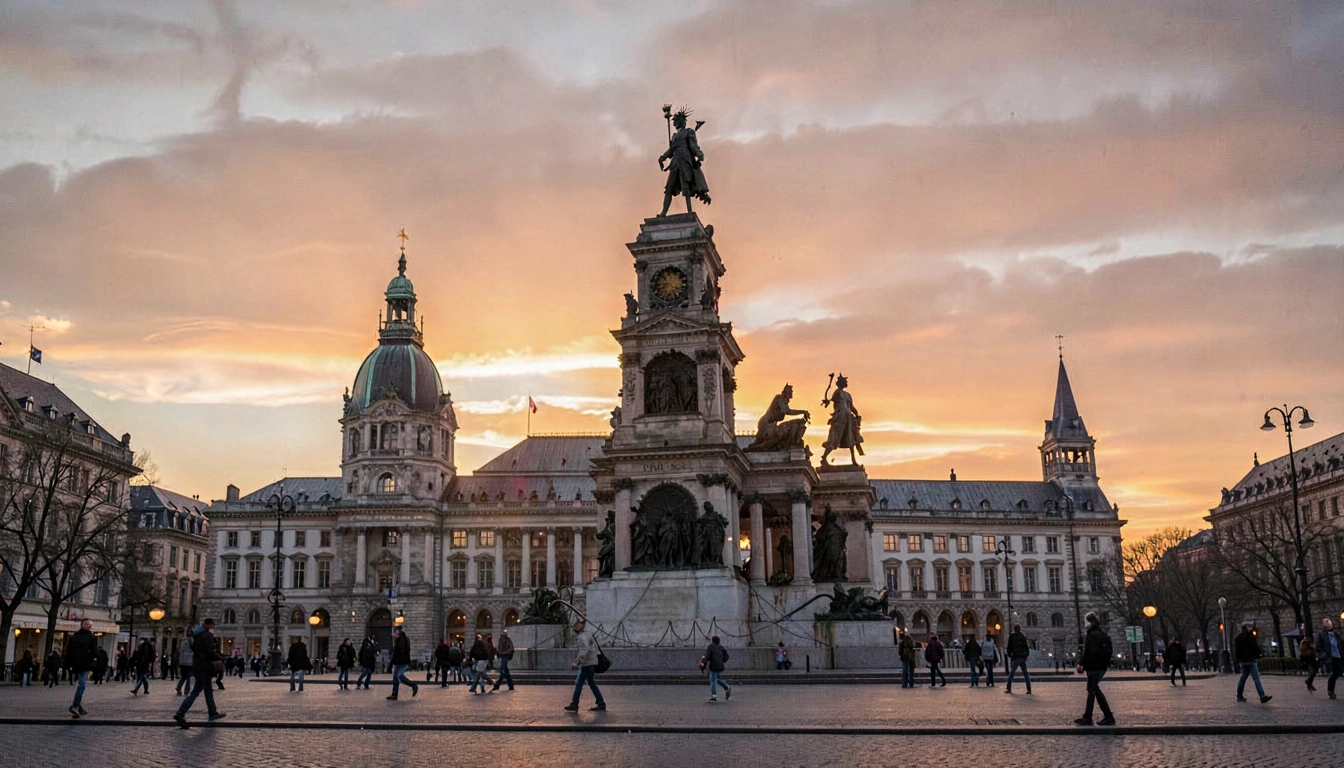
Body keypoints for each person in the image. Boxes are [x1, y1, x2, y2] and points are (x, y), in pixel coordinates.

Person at [172, 619, 226, 727]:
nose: (213, 626)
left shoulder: (196, 636)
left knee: (200, 691)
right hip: (205, 667)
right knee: (203, 692)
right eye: (212, 624)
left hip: (198, 666)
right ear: (206, 625)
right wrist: (221, 658)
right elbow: (210, 652)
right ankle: (183, 713)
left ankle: (209, 712)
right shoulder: (207, 636)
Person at [1074, 612, 1116, 726]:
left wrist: (1082, 664)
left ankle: (1094, 717)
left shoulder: (1093, 635)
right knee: (1094, 690)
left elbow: (1090, 652)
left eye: (1085, 622)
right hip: (1100, 666)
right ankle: (1104, 716)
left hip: (1094, 667)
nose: (1085, 624)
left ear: (1090, 622)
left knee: (1092, 690)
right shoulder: (1100, 633)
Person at [564, 617, 606, 712]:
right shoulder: (588, 634)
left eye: (577, 624)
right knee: (591, 683)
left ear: (582, 625)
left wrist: (577, 662)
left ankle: (575, 703)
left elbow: (584, 650)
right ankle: (601, 703)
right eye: (575, 624)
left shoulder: (583, 636)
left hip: (587, 664)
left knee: (579, 683)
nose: (575, 626)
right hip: (591, 662)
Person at [64, 619, 98, 718]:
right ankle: (75, 706)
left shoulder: (75, 637)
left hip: (78, 663)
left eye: (89, 624)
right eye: (86, 624)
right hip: (83, 664)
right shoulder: (90, 637)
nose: (88, 625)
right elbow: (93, 651)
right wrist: (92, 662)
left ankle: (79, 708)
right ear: (82, 624)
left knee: (81, 684)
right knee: (82, 685)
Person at [1235, 621, 1272, 703]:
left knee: (1243, 678)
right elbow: (1254, 648)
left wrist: (1239, 660)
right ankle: (1262, 696)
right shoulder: (1249, 637)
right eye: (1249, 627)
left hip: (1243, 661)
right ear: (1246, 628)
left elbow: (1237, 651)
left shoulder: (1237, 638)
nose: (1250, 628)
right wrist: (1258, 655)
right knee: (1256, 678)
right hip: (1250, 660)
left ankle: (1239, 695)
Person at [1315, 617, 1344, 699]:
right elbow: (1318, 647)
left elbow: (1340, 645)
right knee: (1331, 674)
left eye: (1329, 623)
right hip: (1329, 658)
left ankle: (1331, 688)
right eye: (1326, 623)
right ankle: (1330, 690)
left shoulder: (1335, 635)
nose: (1328, 624)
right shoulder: (1321, 635)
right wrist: (1324, 656)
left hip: (1338, 656)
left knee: (1339, 671)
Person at [387, 626, 418, 700]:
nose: (392, 635)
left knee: (400, 676)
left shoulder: (402, 640)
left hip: (402, 662)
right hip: (398, 661)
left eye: (393, 633)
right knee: (395, 678)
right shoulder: (401, 639)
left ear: (397, 633)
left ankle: (414, 685)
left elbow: (400, 652)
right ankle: (394, 694)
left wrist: (393, 660)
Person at [1005, 624, 1032, 695]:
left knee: (1011, 674)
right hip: (1022, 658)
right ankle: (1029, 689)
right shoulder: (1022, 636)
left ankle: (1009, 688)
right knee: (1026, 674)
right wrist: (1025, 656)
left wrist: (1010, 654)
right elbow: (1026, 647)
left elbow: (1009, 646)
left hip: (1015, 657)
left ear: (1014, 629)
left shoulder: (1012, 636)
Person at [704, 635, 732, 702]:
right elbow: (727, 657)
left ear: (712, 641)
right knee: (716, 679)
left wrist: (704, 661)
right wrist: (721, 661)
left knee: (713, 680)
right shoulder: (721, 647)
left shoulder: (710, 646)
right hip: (720, 666)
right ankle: (727, 687)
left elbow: (707, 656)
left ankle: (714, 696)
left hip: (713, 666)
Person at [1300, 627, 1319, 692]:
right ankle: (1308, 682)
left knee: (1314, 671)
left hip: (1311, 658)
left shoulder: (1309, 643)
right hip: (1308, 658)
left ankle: (1309, 682)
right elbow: (1304, 651)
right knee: (1313, 671)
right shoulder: (1305, 642)